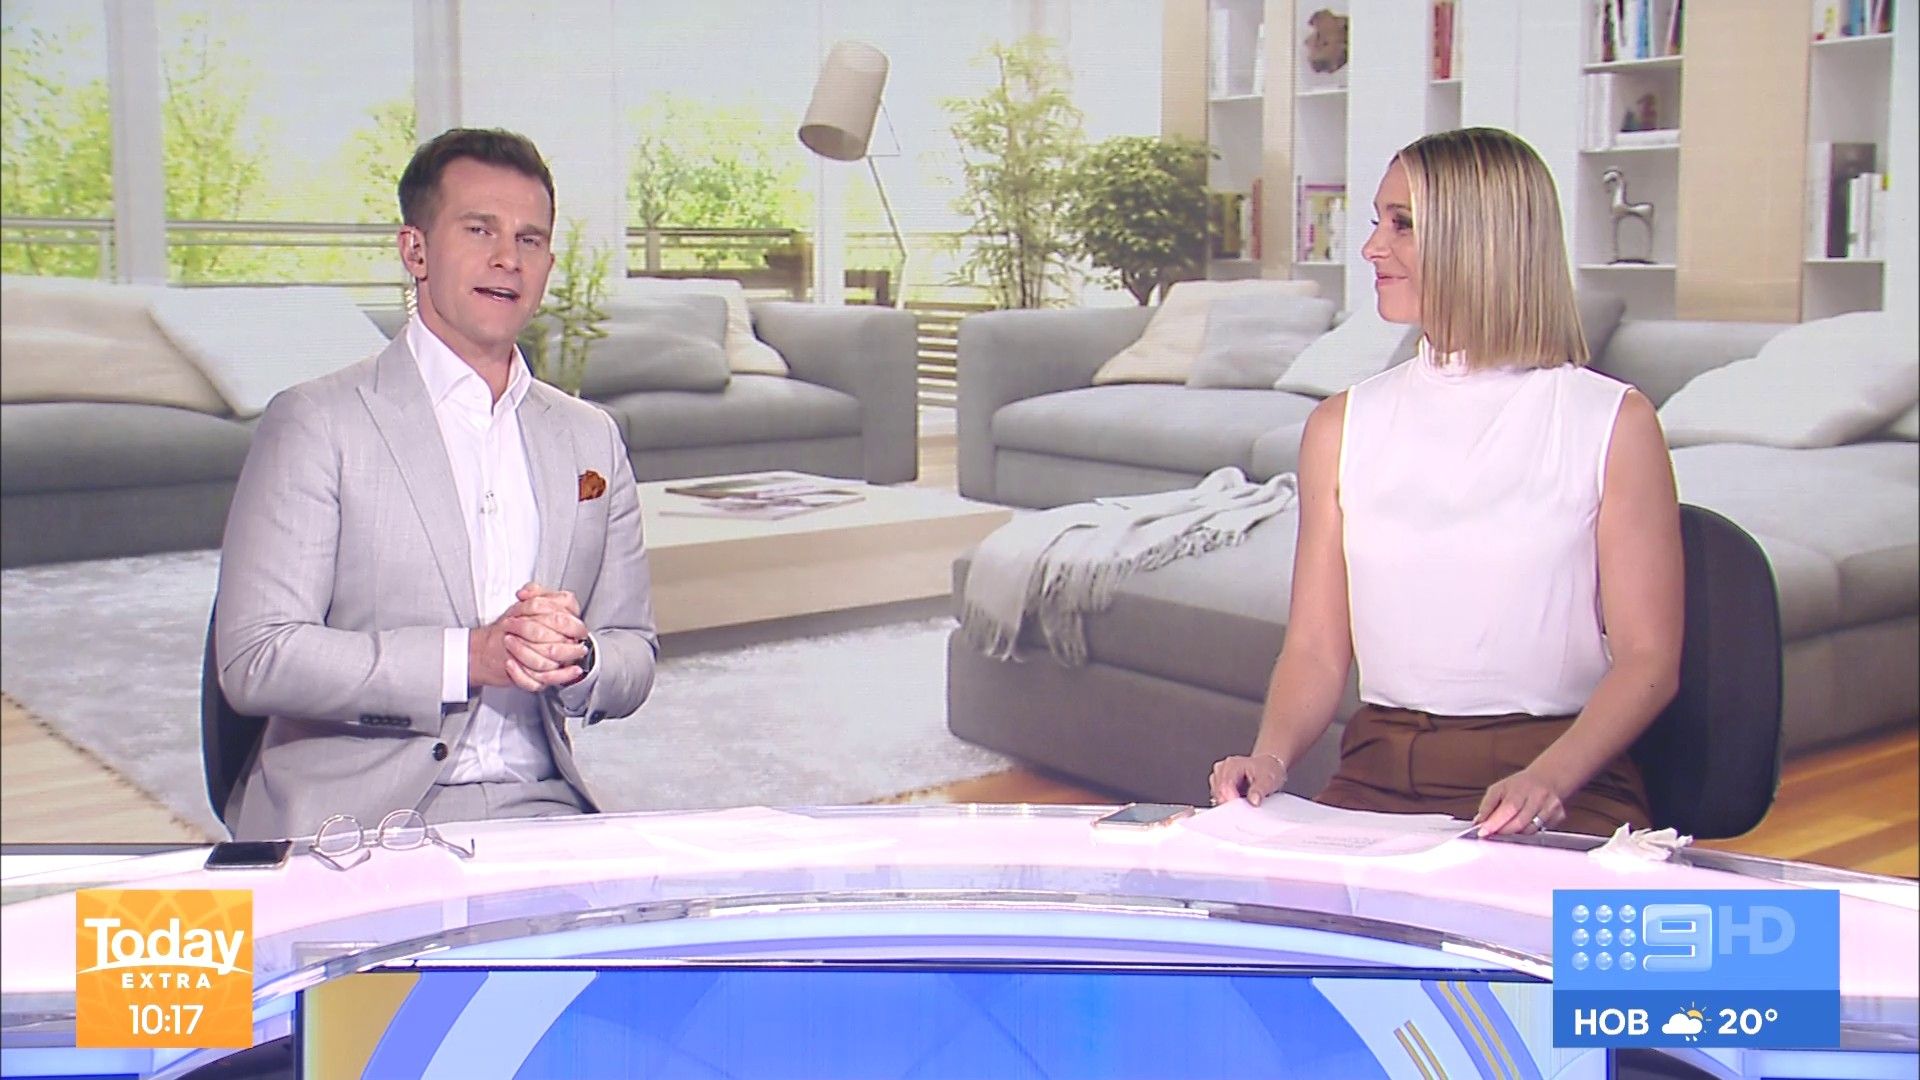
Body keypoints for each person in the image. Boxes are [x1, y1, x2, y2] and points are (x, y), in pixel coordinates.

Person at [1207, 127, 1683, 837]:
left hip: (1561, 773)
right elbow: (1314, 649)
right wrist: (1270, 758)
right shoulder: (1340, 426)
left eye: (1401, 224)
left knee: (1533, 916)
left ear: (1479, 240)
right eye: (1377, 221)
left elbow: (1650, 661)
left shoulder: (1613, 422)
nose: (1372, 247)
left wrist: (1549, 778)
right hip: (1380, 769)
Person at [214, 127, 657, 841]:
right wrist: (470, 657)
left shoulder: (590, 438)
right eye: (479, 230)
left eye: (530, 239)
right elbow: (256, 658)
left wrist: (578, 659)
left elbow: (633, 649)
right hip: (352, 821)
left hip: (539, 809)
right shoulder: (317, 422)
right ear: (415, 250)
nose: (508, 258)